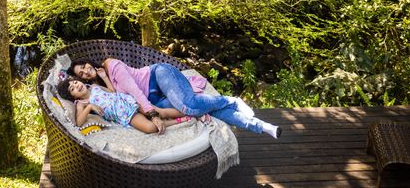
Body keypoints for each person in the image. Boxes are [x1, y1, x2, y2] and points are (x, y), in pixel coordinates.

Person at [68, 58, 281, 139]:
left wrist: (153, 115)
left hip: (158, 76)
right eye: (81, 74)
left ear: (89, 62)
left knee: (188, 105)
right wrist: (103, 81)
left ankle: (230, 99)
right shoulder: (100, 88)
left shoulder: (111, 64)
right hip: (155, 97)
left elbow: (134, 91)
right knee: (202, 110)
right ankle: (261, 126)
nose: (86, 72)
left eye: (85, 67)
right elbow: (118, 96)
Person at [57, 76, 198, 134]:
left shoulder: (93, 86)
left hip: (128, 101)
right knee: (149, 128)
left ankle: (193, 111)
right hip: (123, 115)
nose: (77, 86)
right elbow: (78, 122)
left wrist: (105, 77)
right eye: (72, 89)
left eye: (75, 82)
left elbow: (112, 91)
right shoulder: (81, 103)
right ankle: (178, 121)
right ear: (72, 96)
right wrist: (89, 107)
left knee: (159, 112)